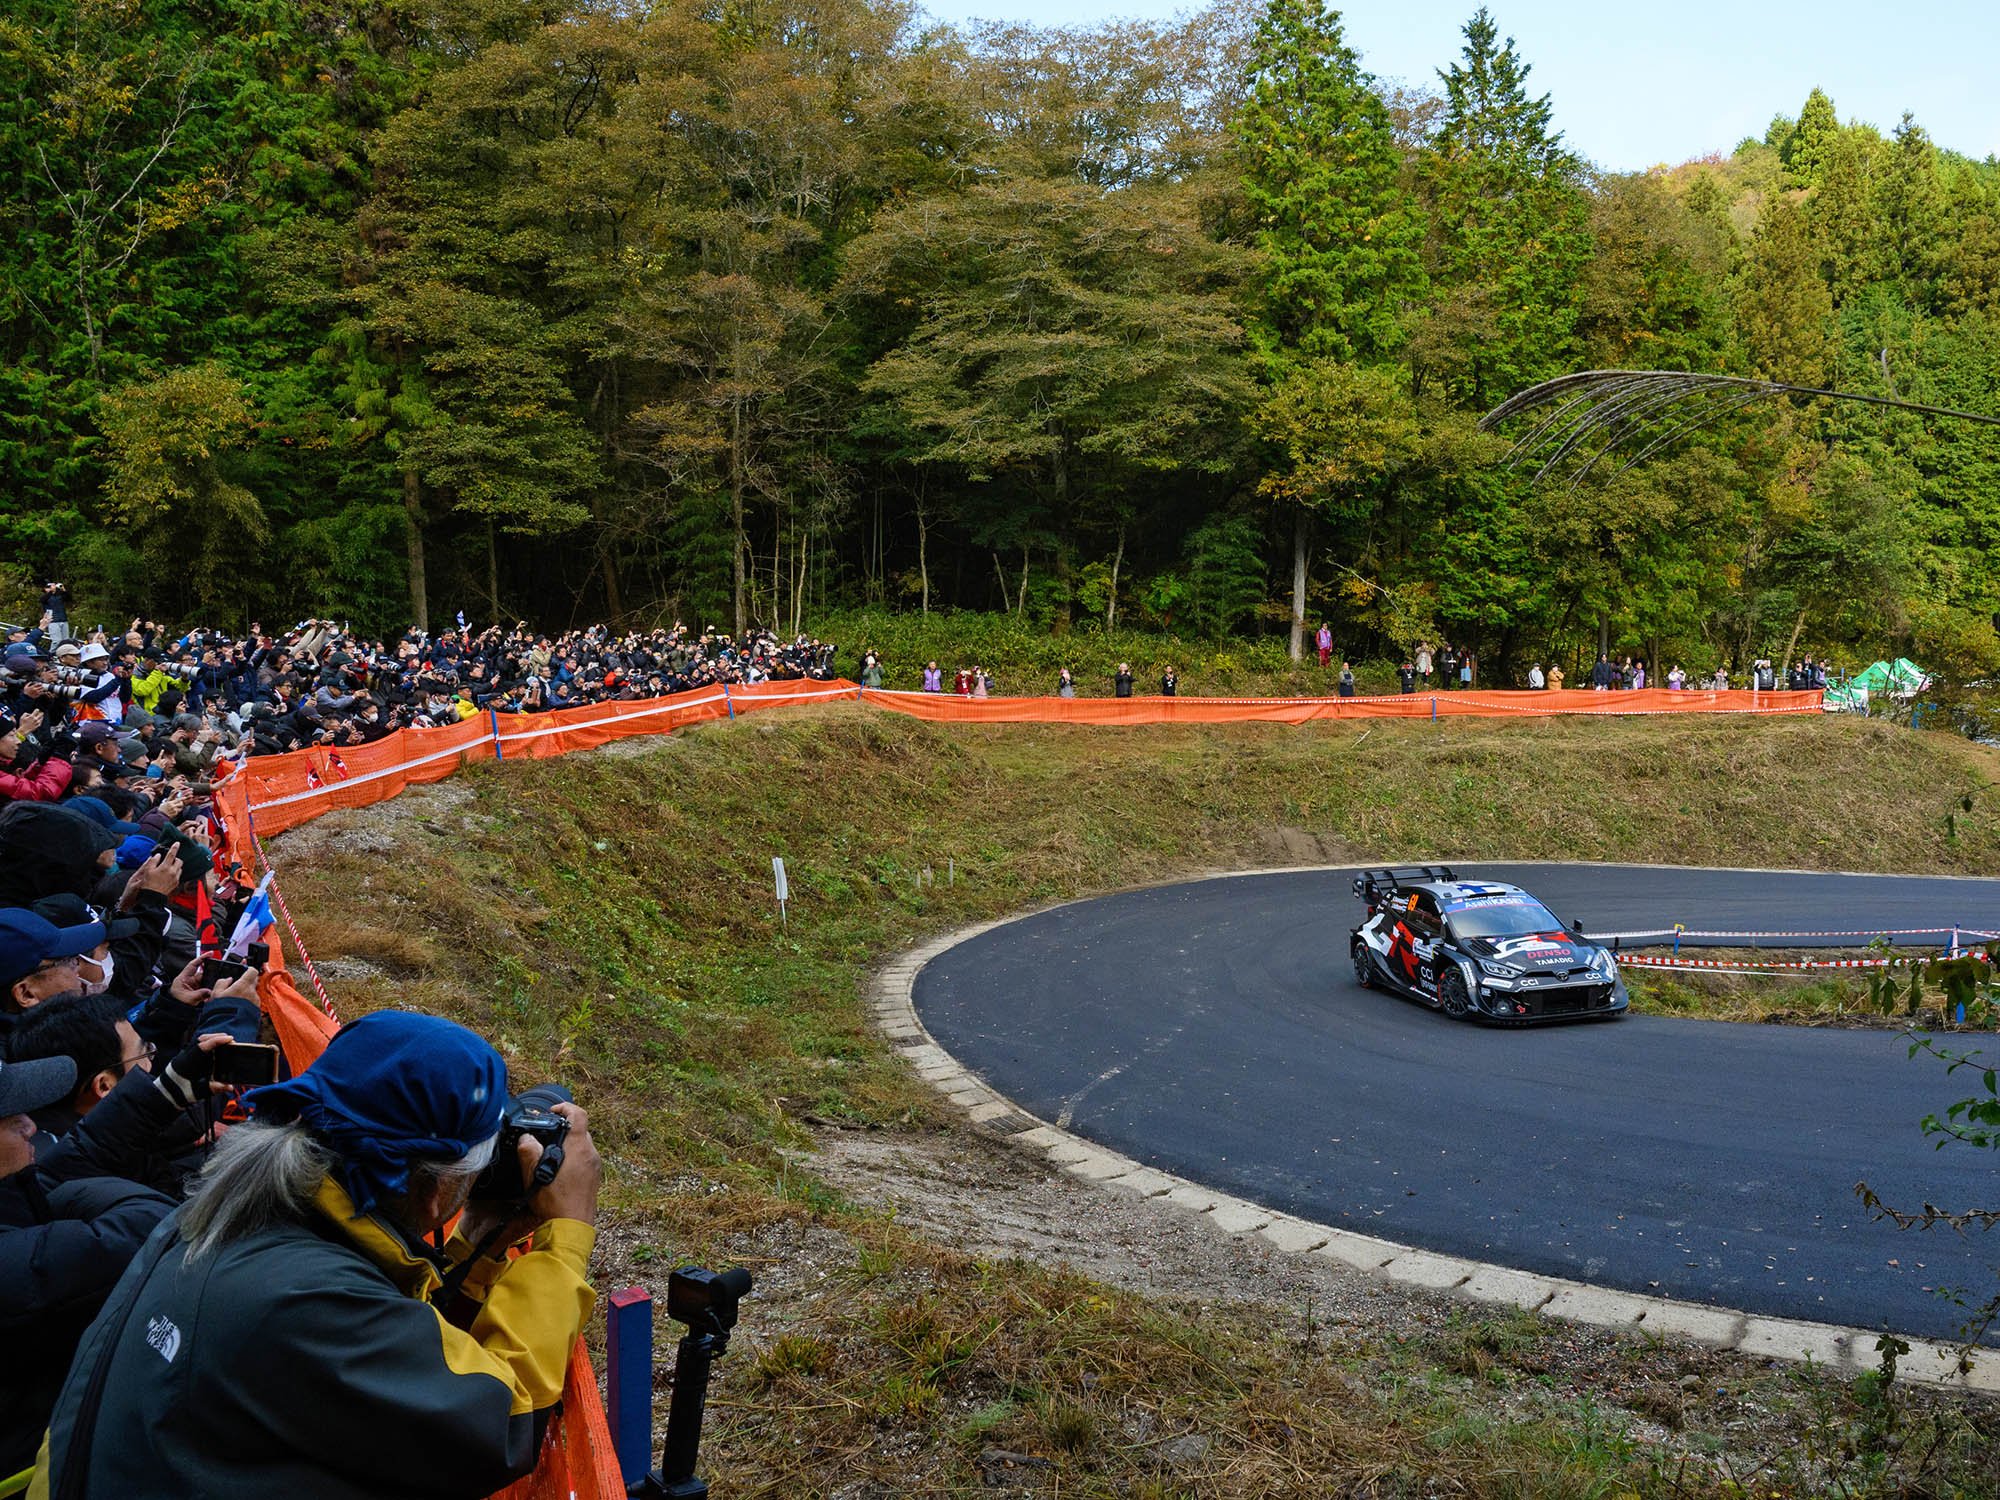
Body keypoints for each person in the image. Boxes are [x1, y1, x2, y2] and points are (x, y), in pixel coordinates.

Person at [35, 1010, 604, 1500]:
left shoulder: (240, 1210)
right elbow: (504, 1418)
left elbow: (409, 1345)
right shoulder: (304, 1300)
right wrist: (568, 1232)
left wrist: (474, 1248)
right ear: (432, 1191)